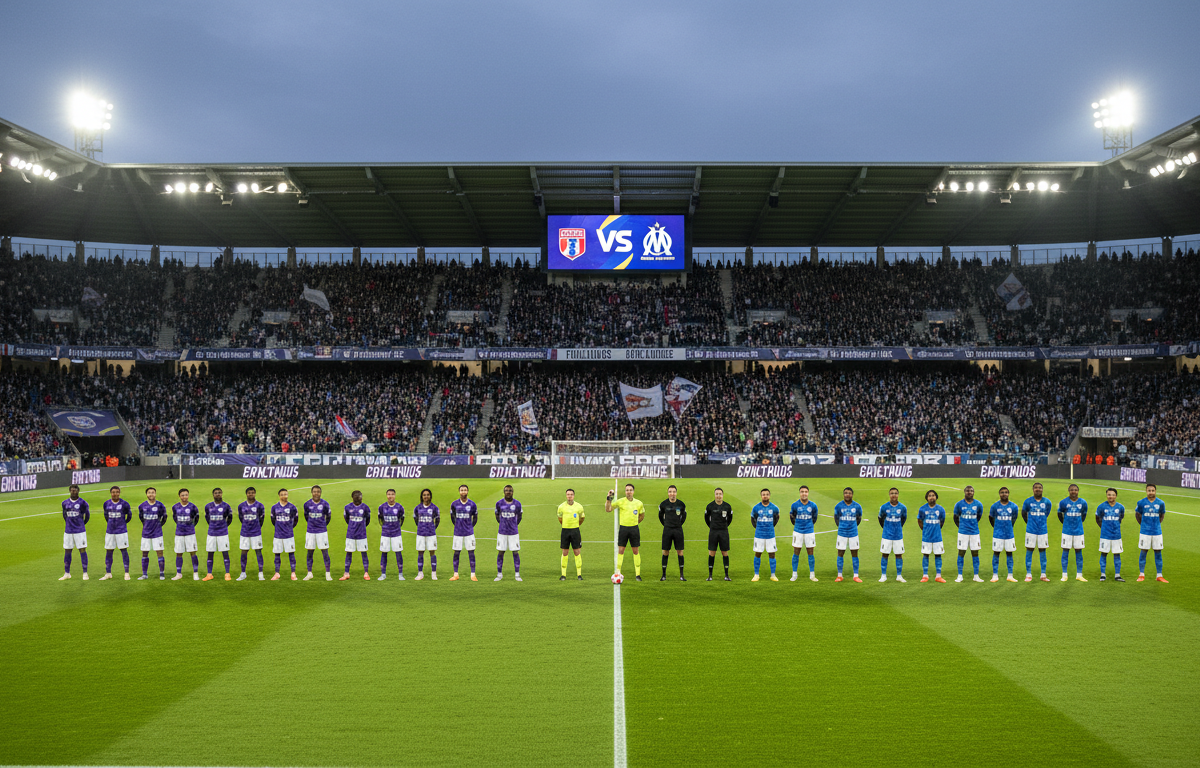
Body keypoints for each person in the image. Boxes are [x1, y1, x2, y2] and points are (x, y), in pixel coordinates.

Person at [608, 483, 645, 581]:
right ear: (625, 492)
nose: (628, 492)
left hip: (634, 529)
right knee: (621, 551)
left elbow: (642, 515)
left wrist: (635, 522)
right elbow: (608, 509)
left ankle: (638, 574)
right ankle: (618, 571)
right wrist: (608, 498)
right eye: (627, 490)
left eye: (630, 490)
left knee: (635, 551)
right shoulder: (620, 502)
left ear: (633, 491)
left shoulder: (639, 503)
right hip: (623, 529)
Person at [1135, 483, 1167, 583]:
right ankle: (1141, 574)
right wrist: (1143, 525)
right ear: (1146, 491)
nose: (1151, 492)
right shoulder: (1141, 503)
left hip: (1157, 532)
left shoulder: (1161, 503)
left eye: (1153, 490)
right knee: (1143, 552)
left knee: (1158, 553)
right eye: (1149, 490)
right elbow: (1137, 515)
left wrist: (1156, 524)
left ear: (1155, 491)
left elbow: (1161, 515)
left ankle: (1159, 575)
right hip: (1145, 532)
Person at [1057, 484, 1088, 582]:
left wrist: (1078, 523)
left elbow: (1084, 515)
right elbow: (1059, 513)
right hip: (1067, 531)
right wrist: (1065, 523)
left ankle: (1079, 575)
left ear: (1078, 491)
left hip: (1079, 532)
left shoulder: (1083, 502)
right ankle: (1064, 575)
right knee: (1065, 552)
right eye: (1071, 490)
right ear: (1068, 491)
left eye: (1075, 490)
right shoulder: (1063, 502)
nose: (1073, 491)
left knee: (1079, 553)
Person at [953, 485, 985, 583]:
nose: (969, 492)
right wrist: (961, 527)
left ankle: (976, 576)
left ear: (973, 492)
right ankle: (960, 576)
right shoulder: (959, 504)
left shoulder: (978, 504)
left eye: (971, 491)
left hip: (974, 532)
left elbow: (979, 516)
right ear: (964, 492)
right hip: (963, 532)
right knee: (961, 552)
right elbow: (955, 517)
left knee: (975, 553)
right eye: (967, 491)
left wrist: (972, 525)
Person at [1021, 482, 1052, 582]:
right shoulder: (1027, 501)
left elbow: (1047, 513)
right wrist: (1030, 522)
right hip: (1031, 530)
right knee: (1029, 550)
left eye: (1039, 488)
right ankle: (1028, 574)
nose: (1038, 489)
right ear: (1033, 489)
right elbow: (1023, 513)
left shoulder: (1047, 502)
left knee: (1043, 551)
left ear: (1042, 489)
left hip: (1043, 531)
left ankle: (1043, 575)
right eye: (1036, 488)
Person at [100, 486, 132, 581]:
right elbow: (106, 516)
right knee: (109, 551)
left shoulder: (124, 504)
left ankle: (126, 573)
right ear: (110, 493)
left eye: (117, 492)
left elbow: (129, 515)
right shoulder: (106, 504)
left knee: (124, 551)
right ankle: (108, 573)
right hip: (110, 531)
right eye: (113, 492)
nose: (115, 494)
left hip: (121, 531)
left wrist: (123, 523)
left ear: (119, 493)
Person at [988, 486, 1019, 582]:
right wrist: (997, 527)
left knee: (1009, 553)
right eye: (1002, 492)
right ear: (999, 494)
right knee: (996, 553)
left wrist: (1009, 526)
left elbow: (1014, 518)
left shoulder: (1014, 506)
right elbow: (991, 518)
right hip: (998, 534)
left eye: (1006, 492)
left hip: (1009, 534)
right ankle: (995, 576)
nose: (1004, 494)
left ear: (1008, 494)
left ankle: (1010, 575)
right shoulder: (994, 506)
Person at [59, 484, 90, 581]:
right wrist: (68, 524)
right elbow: (64, 515)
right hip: (68, 531)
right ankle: (67, 573)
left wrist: (82, 524)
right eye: (72, 490)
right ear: (69, 491)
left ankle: (85, 573)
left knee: (82, 550)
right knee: (67, 551)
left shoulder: (83, 503)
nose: (73, 492)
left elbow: (87, 516)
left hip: (80, 531)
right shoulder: (64, 503)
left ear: (78, 491)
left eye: (75, 490)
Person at [202, 488, 234, 581]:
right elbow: (207, 517)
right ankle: (209, 574)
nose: (218, 494)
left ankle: (227, 573)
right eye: (216, 493)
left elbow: (230, 518)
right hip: (211, 533)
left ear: (222, 494)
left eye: (219, 493)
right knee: (210, 553)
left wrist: (224, 526)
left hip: (223, 533)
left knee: (225, 552)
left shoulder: (226, 506)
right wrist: (213, 526)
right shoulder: (208, 506)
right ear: (213, 495)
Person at [137, 487, 168, 580]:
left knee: (159, 552)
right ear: (146, 494)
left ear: (155, 494)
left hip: (157, 533)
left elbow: (164, 517)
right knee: (144, 553)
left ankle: (162, 573)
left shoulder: (160, 505)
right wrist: (146, 525)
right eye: (149, 493)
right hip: (146, 533)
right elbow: (141, 517)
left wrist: (159, 525)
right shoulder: (142, 506)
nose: (151, 494)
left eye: (153, 492)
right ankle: (144, 574)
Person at [449, 484, 479, 582]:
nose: (463, 492)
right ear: (459, 492)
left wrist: (470, 526)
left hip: (469, 533)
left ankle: (473, 574)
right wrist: (457, 525)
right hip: (457, 532)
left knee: (471, 552)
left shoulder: (472, 504)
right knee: (456, 553)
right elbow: (452, 517)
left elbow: (475, 518)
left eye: (465, 490)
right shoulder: (454, 504)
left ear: (467, 491)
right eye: (461, 490)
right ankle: (455, 574)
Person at [303, 485, 333, 581]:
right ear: (312, 493)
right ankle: (309, 573)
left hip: (322, 531)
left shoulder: (325, 504)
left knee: (325, 552)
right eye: (314, 491)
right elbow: (306, 516)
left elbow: (328, 517)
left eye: (318, 492)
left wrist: (323, 525)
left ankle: (328, 574)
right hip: (310, 531)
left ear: (320, 493)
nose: (316, 493)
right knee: (309, 552)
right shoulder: (307, 504)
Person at [833, 487, 863, 583]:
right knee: (840, 553)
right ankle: (839, 575)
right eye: (846, 493)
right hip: (842, 533)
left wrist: (852, 526)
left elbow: (859, 518)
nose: (847, 494)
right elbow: (836, 518)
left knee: (854, 554)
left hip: (853, 533)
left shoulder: (857, 506)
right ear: (843, 494)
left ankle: (856, 576)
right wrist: (841, 526)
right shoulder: (838, 506)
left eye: (849, 493)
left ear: (852, 494)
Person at [878, 487, 907, 583]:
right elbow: (880, 519)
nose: (894, 495)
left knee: (899, 555)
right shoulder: (884, 507)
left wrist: (898, 528)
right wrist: (886, 528)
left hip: (898, 536)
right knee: (885, 554)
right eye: (892, 493)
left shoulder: (903, 507)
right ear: (889, 495)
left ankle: (899, 576)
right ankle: (883, 576)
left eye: (895, 493)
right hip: (886, 535)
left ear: (898, 495)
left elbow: (903, 519)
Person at [1095, 487, 1125, 582]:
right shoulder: (1101, 507)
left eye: (1112, 495)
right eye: (1109, 495)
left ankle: (1117, 575)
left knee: (1117, 554)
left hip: (1116, 535)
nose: (1110, 496)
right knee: (1104, 553)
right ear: (1106, 495)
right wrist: (1103, 527)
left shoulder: (1120, 507)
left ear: (1116, 496)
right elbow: (1097, 518)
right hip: (1105, 535)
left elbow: (1121, 517)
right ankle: (1103, 574)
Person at [790, 485, 819, 582]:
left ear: (808, 493)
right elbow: (792, 516)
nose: (804, 493)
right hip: (798, 531)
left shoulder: (813, 505)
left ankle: (812, 575)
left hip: (809, 531)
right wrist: (797, 525)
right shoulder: (795, 505)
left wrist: (809, 526)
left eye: (806, 492)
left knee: (810, 553)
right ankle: (794, 574)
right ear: (799, 493)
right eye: (802, 492)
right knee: (796, 552)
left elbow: (814, 518)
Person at [341, 490, 372, 581]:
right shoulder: (347, 507)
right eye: (357, 496)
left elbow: (368, 520)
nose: (359, 497)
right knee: (349, 553)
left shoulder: (366, 508)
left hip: (362, 535)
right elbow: (346, 519)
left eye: (360, 496)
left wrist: (362, 527)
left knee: (364, 553)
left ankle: (366, 573)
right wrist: (352, 526)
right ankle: (346, 573)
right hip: (350, 534)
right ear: (353, 497)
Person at [750, 488, 780, 582]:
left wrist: (771, 526)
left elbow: (777, 517)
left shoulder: (774, 508)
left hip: (770, 535)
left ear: (769, 496)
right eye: (763, 494)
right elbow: (752, 518)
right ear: (761, 496)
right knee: (758, 553)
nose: (765, 496)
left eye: (767, 494)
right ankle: (756, 575)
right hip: (759, 535)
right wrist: (758, 528)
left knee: (772, 554)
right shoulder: (756, 508)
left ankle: (773, 575)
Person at [495, 485, 523, 582]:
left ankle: (517, 574)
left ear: (513, 492)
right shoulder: (499, 503)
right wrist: (503, 523)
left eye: (510, 491)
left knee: (515, 552)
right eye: (506, 491)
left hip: (513, 533)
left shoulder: (517, 504)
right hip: (502, 532)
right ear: (504, 492)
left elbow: (519, 517)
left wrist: (514, 524)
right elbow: (497, 515)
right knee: (501, 552)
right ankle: (499, 574)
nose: (508, 492)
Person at [237, 487, 267, 581]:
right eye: (249, 493)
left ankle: (261, 573)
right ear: (246, 494)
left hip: (256, 533)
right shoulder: (241, 506)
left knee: (258, 552)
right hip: (245, 533)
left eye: (253, 493)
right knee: (244, 552)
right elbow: (241, 518)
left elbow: (261, 518)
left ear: (255, 493)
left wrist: (257, 527)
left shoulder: (260, 505)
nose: (251, 494)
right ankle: (243, 573)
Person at [172, 488, 201, 581]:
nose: (184, 497)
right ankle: (179, 573)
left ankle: (195, 573)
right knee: (179, 553)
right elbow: (175, 518)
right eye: (182, 495)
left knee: (193, 553)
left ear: (188, 495)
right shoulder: (175, 507)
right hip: (179, 533)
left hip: (190, 533)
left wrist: (191, 526)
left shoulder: (193, 507)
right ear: (179, 496)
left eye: (186, 495)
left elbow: (196, 518)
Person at [704, 487, 733, 581]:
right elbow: (706, 518)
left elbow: (730, 519)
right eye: (717, 494)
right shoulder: (710, 506)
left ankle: (726, 575)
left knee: (724, 552)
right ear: (714, 495)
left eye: (720, 494)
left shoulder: (727, 506)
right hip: (713, 532)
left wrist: (724, 526)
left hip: (724, 532)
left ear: (722, 495)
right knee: (712, 553)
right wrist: (712, 526)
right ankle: (710, 575)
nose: (718, 496)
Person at [658, 485, 686, 581]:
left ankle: (681, 575)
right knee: (665, 552)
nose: (672, 494)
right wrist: (666, 524)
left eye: (674, 492)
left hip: (678, 530)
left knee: (680, 552)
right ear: (668, 493)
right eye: (670, 492)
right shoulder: (663, 504)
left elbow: (684, 517)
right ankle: (664, 575)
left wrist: (678, 524)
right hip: (667, 530)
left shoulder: (681, 504)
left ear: (676, 493)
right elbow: (660, 516)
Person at [918, 490, 946, 583]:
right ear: (927, 498)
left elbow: (942, 521)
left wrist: (937, 529)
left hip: (937, 537)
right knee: (925, 554)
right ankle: (925, 575)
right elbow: (920, 521)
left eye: (933, 495)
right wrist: (925, 530)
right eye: (929, 495)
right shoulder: (922, 509)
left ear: (936, 497)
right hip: (926, 537)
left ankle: (938, 576)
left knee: (938, 555)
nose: (931, 497)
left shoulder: (940, 509)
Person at [270, 488, 299, 581]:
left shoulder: (292, 507)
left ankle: (293, 573)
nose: (284, 496)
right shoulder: (274, 507)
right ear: (279, 495)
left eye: (285, 494)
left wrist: (289, 527)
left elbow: (296, 520)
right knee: (277, 554)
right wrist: (279, 527)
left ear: (288, 495)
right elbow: (273, 520)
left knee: (291, 553)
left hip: (289, 534)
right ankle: (277, 573)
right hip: (278, 535)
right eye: (282, 494)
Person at [377, 488, 405, 580]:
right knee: (384, 552)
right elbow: (380, 519)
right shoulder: (382, 507)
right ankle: (383, 574)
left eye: (392, 494)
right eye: (389, 494)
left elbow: (402, 519)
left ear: (395, 495)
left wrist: (396, 527)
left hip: (396, 533)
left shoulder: (399, 507)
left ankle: (400, 574)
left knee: (398, 552)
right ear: (386, 495)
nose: (390, 496)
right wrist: (385, 527)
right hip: (385, 533)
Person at [557, 488, 584, 580]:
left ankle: (579, 574)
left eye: (571, 494)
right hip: (565, 531)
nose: (569, 496)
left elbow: (582, 518)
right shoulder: (561, 507)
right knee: (565, 552)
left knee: (577, 552)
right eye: (568, 494)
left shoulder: (579, 507)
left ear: (574, 495)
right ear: (566, 495)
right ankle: (563, 575)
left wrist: (576, 525)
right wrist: (566, 525)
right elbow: (560, 518)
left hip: (575, 531)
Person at [414, 488, 440, 581]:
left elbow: (437, 520)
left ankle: (434, 573)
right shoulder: (417, 508)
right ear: (422, 496)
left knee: (432, 552)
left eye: (427, 495)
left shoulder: (434, 508)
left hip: (431, 534)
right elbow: (416, 519)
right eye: (424, 495)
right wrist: (422, 527)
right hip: (420, 534)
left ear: (430, 496)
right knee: (420, 552)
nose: (426, 496)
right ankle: (420, 573)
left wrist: (431, 528)